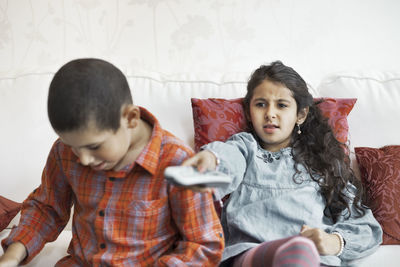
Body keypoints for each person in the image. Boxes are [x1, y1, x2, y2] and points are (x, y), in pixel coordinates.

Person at [0, 58, 224, 266]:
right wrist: (11, 257)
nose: (84, 158)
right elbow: (46, 209)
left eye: (95, 146)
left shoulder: (179, 162)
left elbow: (203, 245)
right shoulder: (64, 151)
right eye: (74, 146)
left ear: (130, 119)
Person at [183, 61, 382, 267]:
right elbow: (227, 160)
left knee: (305, 256)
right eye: (261, 104)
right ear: (249, 111)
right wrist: (210, 160)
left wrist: (332, 242)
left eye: (282, 105)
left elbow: (367, 228)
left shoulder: (323, 163)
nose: (270, 113)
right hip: (253, 254)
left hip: (312, 259)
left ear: (301, 115)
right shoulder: (245, 147)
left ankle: (298, 255)